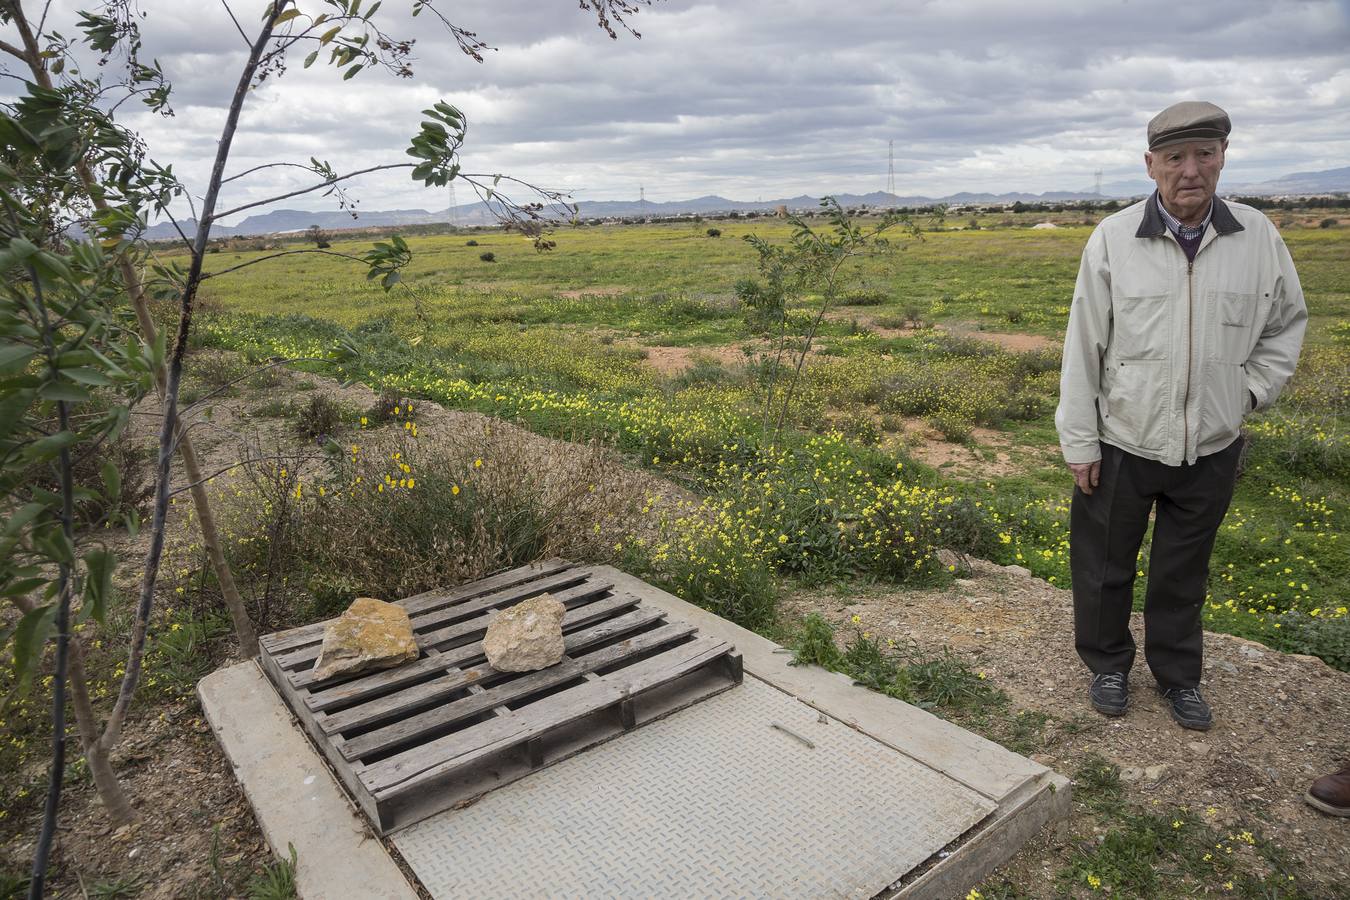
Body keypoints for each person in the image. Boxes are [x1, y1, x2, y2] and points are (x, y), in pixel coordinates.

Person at [1055, 101, 1307, 731]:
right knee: (1104, 565)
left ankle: (1177, 678)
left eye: (1205, 154)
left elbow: (1285, 327)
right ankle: (1108, 664)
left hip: (1213, 447)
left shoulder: (1258, 237)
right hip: (1123, 441)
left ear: (1223, 157)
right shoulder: (1113, 239)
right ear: (1151, 166)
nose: (1190, 170)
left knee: (1182, 572)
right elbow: (1084, 344)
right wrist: (1081, 440)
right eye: (1175, 158)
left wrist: (1246, 394)